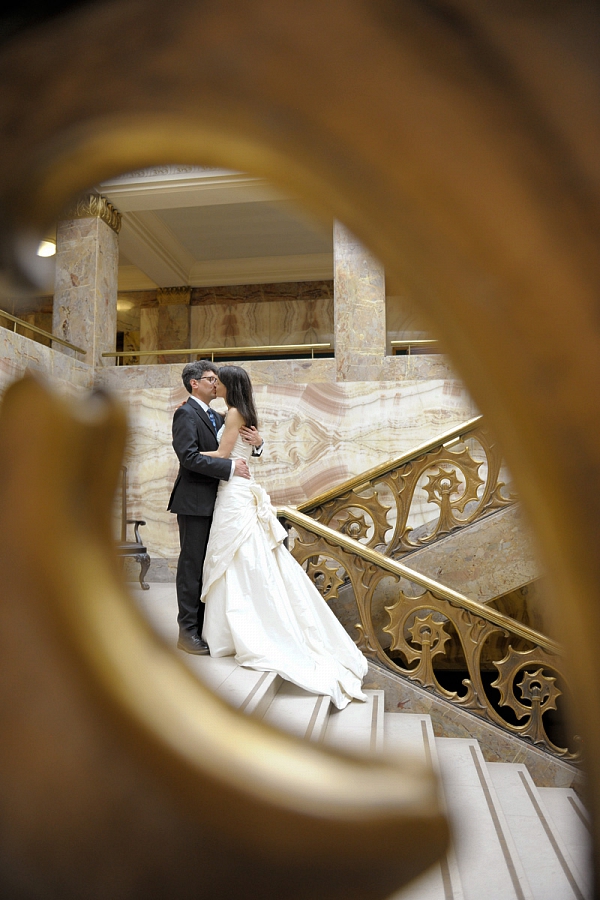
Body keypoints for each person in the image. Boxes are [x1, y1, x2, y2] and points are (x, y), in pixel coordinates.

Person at [198, 365, 367, 710]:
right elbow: (247, 449)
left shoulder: (232, 413)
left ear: (230, 385)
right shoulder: (241, 412)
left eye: (218, 380)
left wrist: (188, 456)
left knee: (238, 556)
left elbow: (224, 455)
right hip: (239, 489)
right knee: (244, 556)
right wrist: (258, 446)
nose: (214, 384)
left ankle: (241, 629)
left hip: (234, 493)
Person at [167, 360, 264, 655]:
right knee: (192, 567)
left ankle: (208, 626)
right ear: (194, 383)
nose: (215, 382)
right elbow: (189, 457)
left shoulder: (219, 415)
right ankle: (187, 632)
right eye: (209, 378)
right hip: (195, 501)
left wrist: (258, 444)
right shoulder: (185, 412)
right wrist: (232, 467)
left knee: (213, 567)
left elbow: (239, 441)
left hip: (220, 502)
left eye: (216, 379)